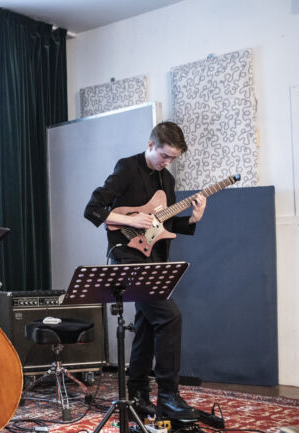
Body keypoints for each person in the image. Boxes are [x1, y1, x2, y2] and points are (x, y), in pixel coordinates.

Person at [84, 121, 206, 421]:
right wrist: (131, 220)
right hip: (126, 257)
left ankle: (138, 395)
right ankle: (168, 397)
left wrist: (193, 219)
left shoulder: (168, 180)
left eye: (173, 158)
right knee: (170, 316)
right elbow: (92, 209)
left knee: (148, 323)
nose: (167, 162)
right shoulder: (127, 168)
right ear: (150, 145)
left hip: (154, 260)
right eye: (164, 155)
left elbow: (164, 226)